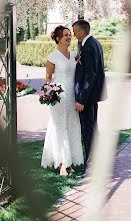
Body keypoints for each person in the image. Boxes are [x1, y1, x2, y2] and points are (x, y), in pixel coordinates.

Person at [41, 26, 84, 176]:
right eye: (66, 35)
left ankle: (70, 161)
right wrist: (49, 94)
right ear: (58, 38)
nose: (69, 37)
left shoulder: (74, 55)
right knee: (60, 127)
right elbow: (47, 79)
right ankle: (62, 163)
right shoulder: (52, 57)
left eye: (70, 35)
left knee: (72, 126)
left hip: (73, 96)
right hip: (59, 97)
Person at [72, 19, 105, 168]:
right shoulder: (94, 43)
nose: (73, 34)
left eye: (74, 31)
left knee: (87, 128)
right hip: (93, 96)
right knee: (92, 126)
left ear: (80, 31)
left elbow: (89, 75)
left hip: (88, 97)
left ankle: (91, 160)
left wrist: (81, 100)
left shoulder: (89, 47)